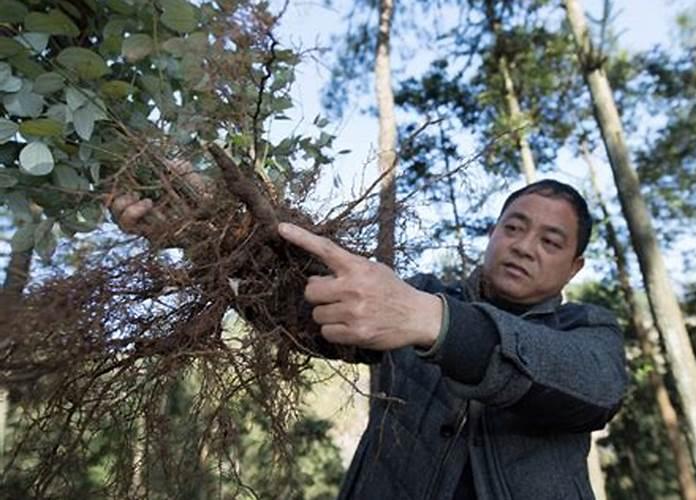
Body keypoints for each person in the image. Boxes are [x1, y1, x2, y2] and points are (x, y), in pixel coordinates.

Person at [114, 179, 627, 499]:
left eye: (550, 241)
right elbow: (301, 313)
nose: (524, 247)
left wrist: (436, 324)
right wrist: (200, 242)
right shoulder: (414, 294)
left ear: (574, 266)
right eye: (513, 228)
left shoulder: (588, 331)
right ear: (493, 234)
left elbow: (595, 388)